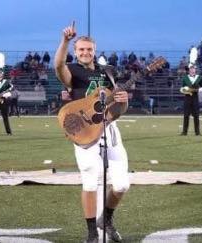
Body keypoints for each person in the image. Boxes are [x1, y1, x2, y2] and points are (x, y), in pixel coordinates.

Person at [54, 22, 130, 243]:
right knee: (89, 181)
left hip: (109, 128)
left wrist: (123, 102)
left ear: (94, 51)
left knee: (122, 184)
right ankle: (91, 233)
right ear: (76, 52)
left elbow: (118, 111)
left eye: (89, 49)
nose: (85, 53)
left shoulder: (107, 72)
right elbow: (59, 66)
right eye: (81, 50)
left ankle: (105, 219)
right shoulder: (72, 71)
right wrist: (65, 41)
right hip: (85, 131)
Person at [180, 64, 202, 136]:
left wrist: (195, 90)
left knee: (196, 115)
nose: (192, 69)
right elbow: (181, 89)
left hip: (195, 98)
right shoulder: (185, 78)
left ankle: (197, 132)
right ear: (189, 70)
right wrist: (187, 90)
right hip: (187, 98)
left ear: (195, 69)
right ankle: (184, 132)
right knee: (186, 115)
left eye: (193, 68)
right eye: (191, 68)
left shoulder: (199, 77)